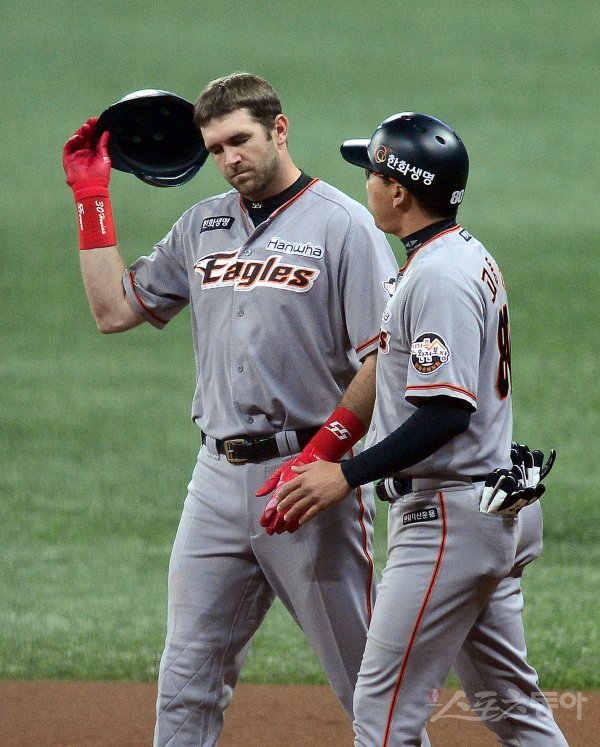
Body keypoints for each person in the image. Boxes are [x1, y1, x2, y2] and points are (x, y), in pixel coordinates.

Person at [62, 73, 400, 747]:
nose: (230, 158)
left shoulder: (345, 226)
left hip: (308, 479)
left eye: (240, 140)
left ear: (280, 130)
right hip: (214, 482)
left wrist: (325, 457)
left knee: (368, 683)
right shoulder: (203, 225)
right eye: (215, 148)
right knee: (185, 678)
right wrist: (92, 200)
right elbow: (113, 310)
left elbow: (384, 358)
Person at [274, 112, 568, 745]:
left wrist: (346, 474)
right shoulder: (458, 254)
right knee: (510, 706)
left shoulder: (437, 276)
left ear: (400, 190)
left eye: (373, 173)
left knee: (382, 715)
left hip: (448, 520)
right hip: (483, 506)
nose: (366, 183)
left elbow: (446, 411)